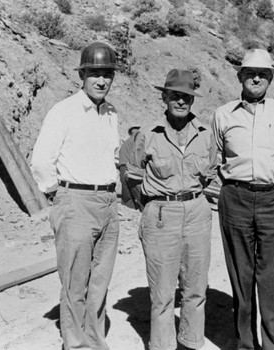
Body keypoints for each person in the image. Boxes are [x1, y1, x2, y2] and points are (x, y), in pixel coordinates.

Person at [30, 42, 120, 350]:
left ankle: (94, 340)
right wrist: (60, 194)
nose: (101, 81)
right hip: (75, 202)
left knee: (99, 282)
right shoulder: (64, 111)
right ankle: (76, 344)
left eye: (107, 74)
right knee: (75, 282)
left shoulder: (111, 113)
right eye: (94, 73)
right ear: (81, 75)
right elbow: (41, 161)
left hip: (107, 204)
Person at [211, 49, 274, 350]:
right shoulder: (222, 115)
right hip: (235, 199)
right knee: (241, 280)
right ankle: (245, 345)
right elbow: (216, 158)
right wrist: (239, 186)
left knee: (273, 282)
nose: (256, 78)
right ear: (239, 76)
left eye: (262, 74)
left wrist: (270, 184)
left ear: (271, 78)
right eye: (250, 73)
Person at [133, 69, 218, 350]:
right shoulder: (147, 133)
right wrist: (153, 207)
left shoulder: (206, 133)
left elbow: (212, 171)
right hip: (160, 215)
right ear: (164, 97)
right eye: (175, 96)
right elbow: (132, 177)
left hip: (196, 211)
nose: (181, 102)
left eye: (187, 97)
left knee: (195, 289)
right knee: (162, 293)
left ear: (192, 100)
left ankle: (192, 343)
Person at [118, 125, 144, 211]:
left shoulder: (126, 143)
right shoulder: (137, 139)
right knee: (137, 190)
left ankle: (130, 210)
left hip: (122, 167)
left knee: (127, 193)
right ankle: (142, 209)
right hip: (130, 167)